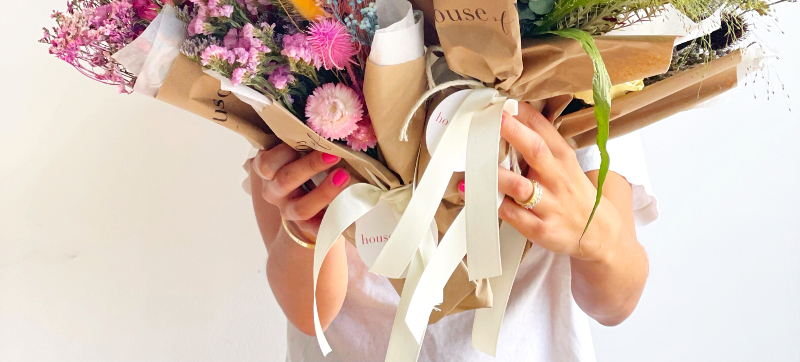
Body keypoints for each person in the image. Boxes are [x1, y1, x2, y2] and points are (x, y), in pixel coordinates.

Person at [248, 102, 656, 362]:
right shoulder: (296, 81)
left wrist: (594, 238)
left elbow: (616, 303)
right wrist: (305, 229)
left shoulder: (574, 90)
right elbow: (311, 315)